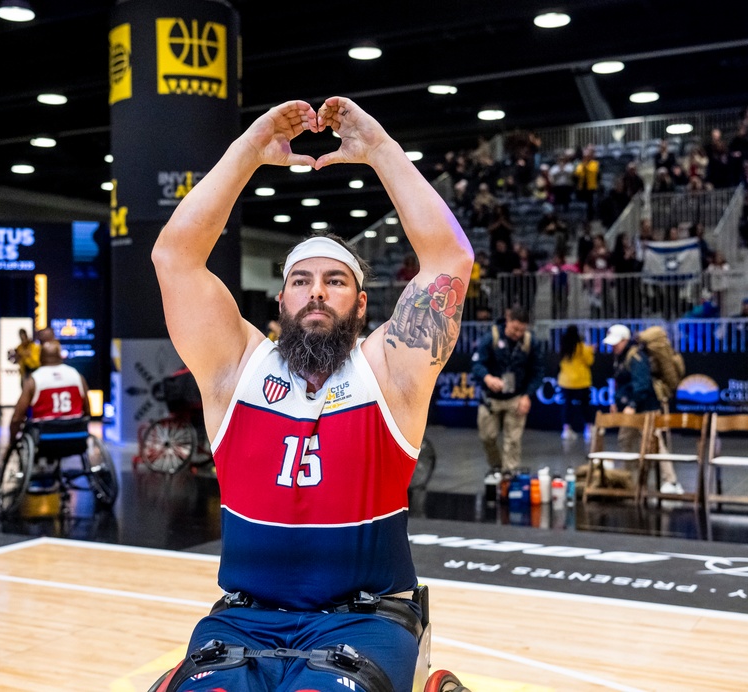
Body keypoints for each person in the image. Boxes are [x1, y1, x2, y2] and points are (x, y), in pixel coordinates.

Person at [150, 97, 474, 692]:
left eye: (335, 281)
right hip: (244, 618)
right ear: (281, 301)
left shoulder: (390, 370)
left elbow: (449, 256)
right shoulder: (236, 367)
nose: (316, 293)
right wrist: (247, 151)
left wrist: (379, 151)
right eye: (300, 280)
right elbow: (174, 256)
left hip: (365, 619)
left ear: (362, 303)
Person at [603, 324, 683, 494]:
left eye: (616, 343)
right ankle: (627, 479)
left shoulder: (636, 356)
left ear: (625, 340)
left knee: (656, 444)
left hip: (646, 408)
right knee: (625, 442)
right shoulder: (620, 356)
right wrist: (617, 402)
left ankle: (671, 482)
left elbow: (642, 384)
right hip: (631, 410)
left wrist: (632, 405)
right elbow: (623, 383)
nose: (612, 346)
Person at [471, 306, 545, 473]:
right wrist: (487, 378)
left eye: (522, 330)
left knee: (513, 441)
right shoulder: (491, 338)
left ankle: (509, 476)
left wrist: (527, 395)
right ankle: (497, 467)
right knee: (487, 437)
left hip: (515, 398)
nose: (517, 333)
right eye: (515, 328)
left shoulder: (530, 342)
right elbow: (477, 364)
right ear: (508, 321)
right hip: (490, 398)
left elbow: (538, 372)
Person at [8, 339, 89, 448]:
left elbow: (17, 417)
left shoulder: (35, 379)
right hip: (75, 436)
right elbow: (88, 410)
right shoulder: (76, 375)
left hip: (45, 439)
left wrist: (13, 441)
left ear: (40, 358)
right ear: (60, 356)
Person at [557, 325, 594, 442]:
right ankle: (588, 429)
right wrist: (591, 350)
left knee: (567, 405)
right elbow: (590, 361)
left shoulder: (563, 347)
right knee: (585, 405)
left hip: (566, 382)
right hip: (581, 382)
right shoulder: (582, 347)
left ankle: (566, 430)